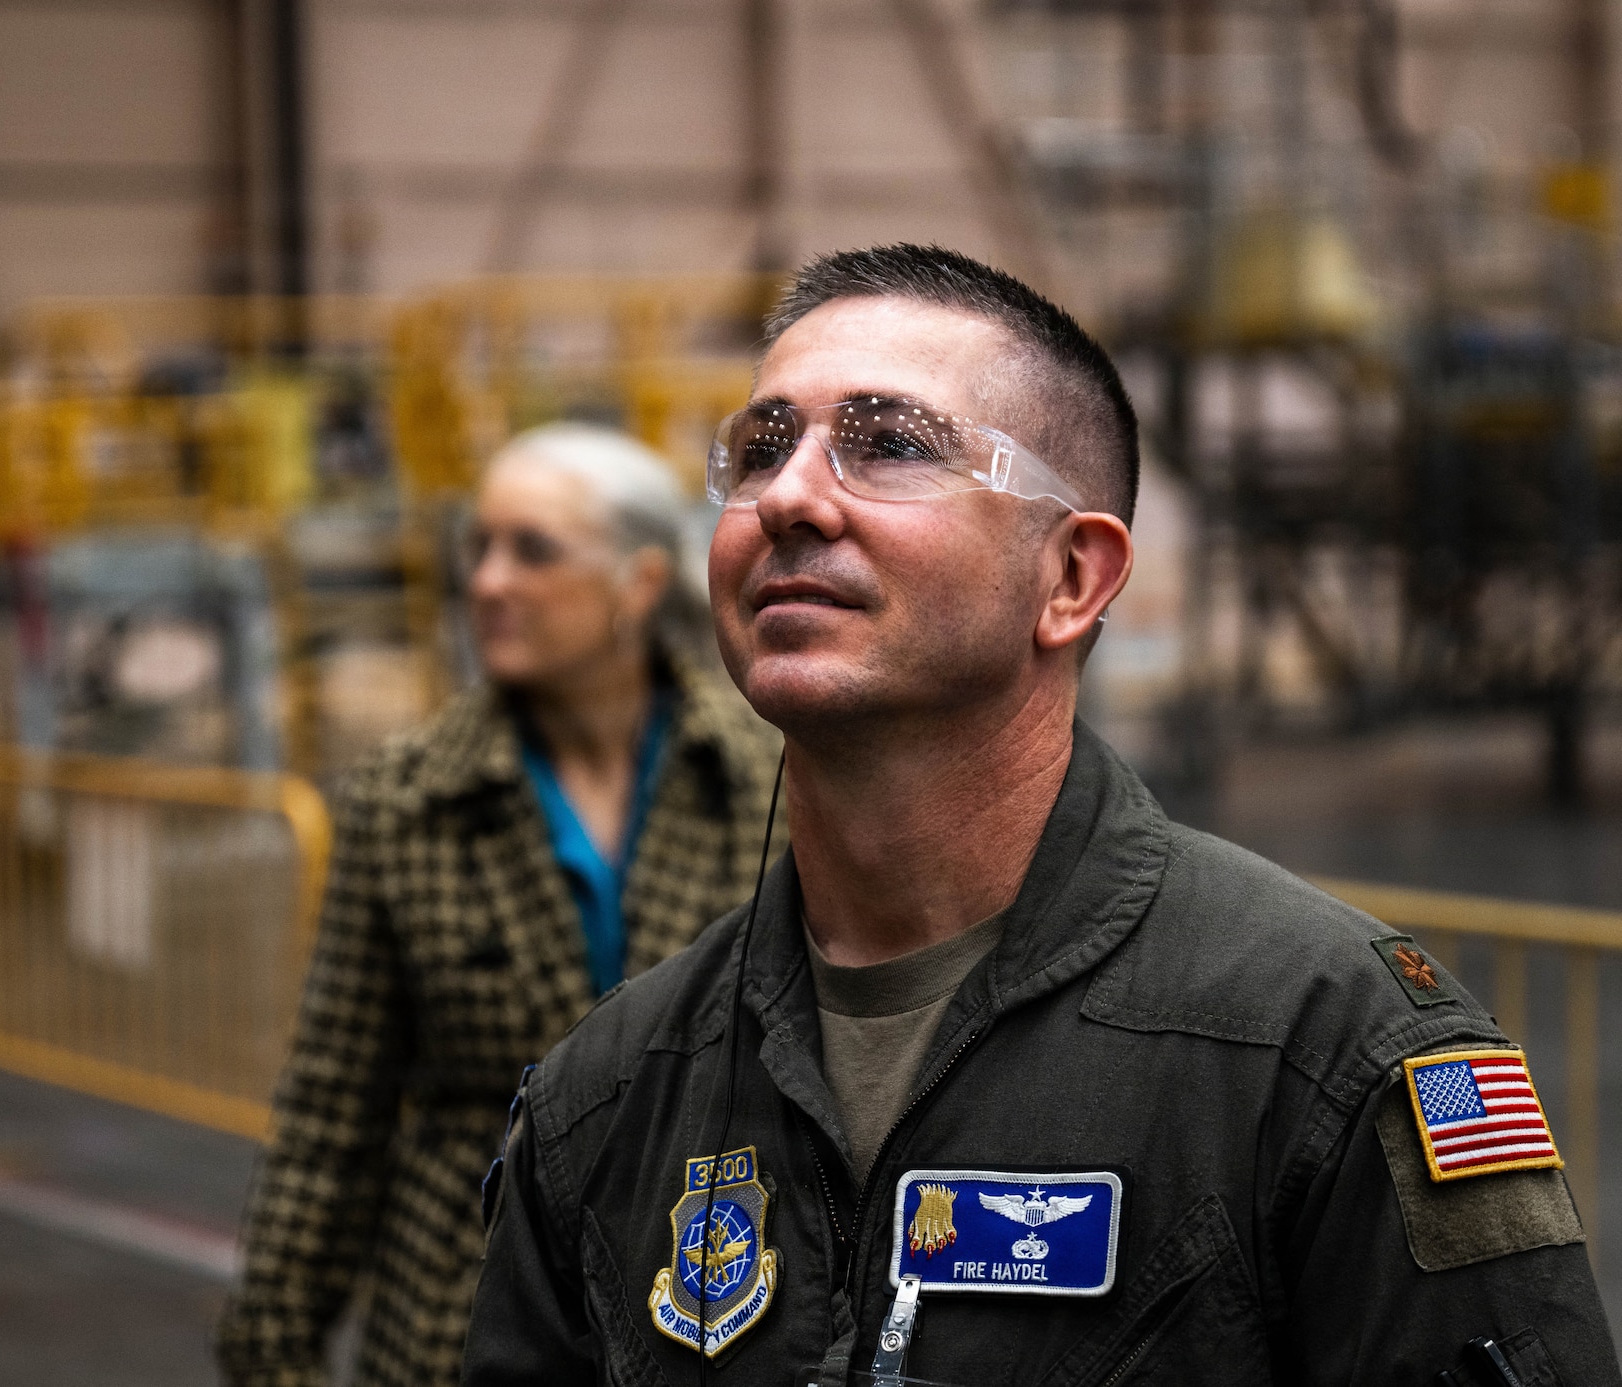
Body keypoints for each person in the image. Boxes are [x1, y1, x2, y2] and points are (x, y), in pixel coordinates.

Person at [463, 246, 1621, 1386]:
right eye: (761, 449)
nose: (790, 497)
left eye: (888, 445)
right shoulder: (606, 1097)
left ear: (1071, 577)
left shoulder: (1329, 1055)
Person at [217, 423, 782, 1387]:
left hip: (711, 1306)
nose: (487, 582)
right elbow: (334, 1107)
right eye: (477, 548)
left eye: (533, 549)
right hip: (460, 1321)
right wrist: (273, 1346)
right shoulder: (409, 800)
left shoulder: (765, 776)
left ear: (639, 584)